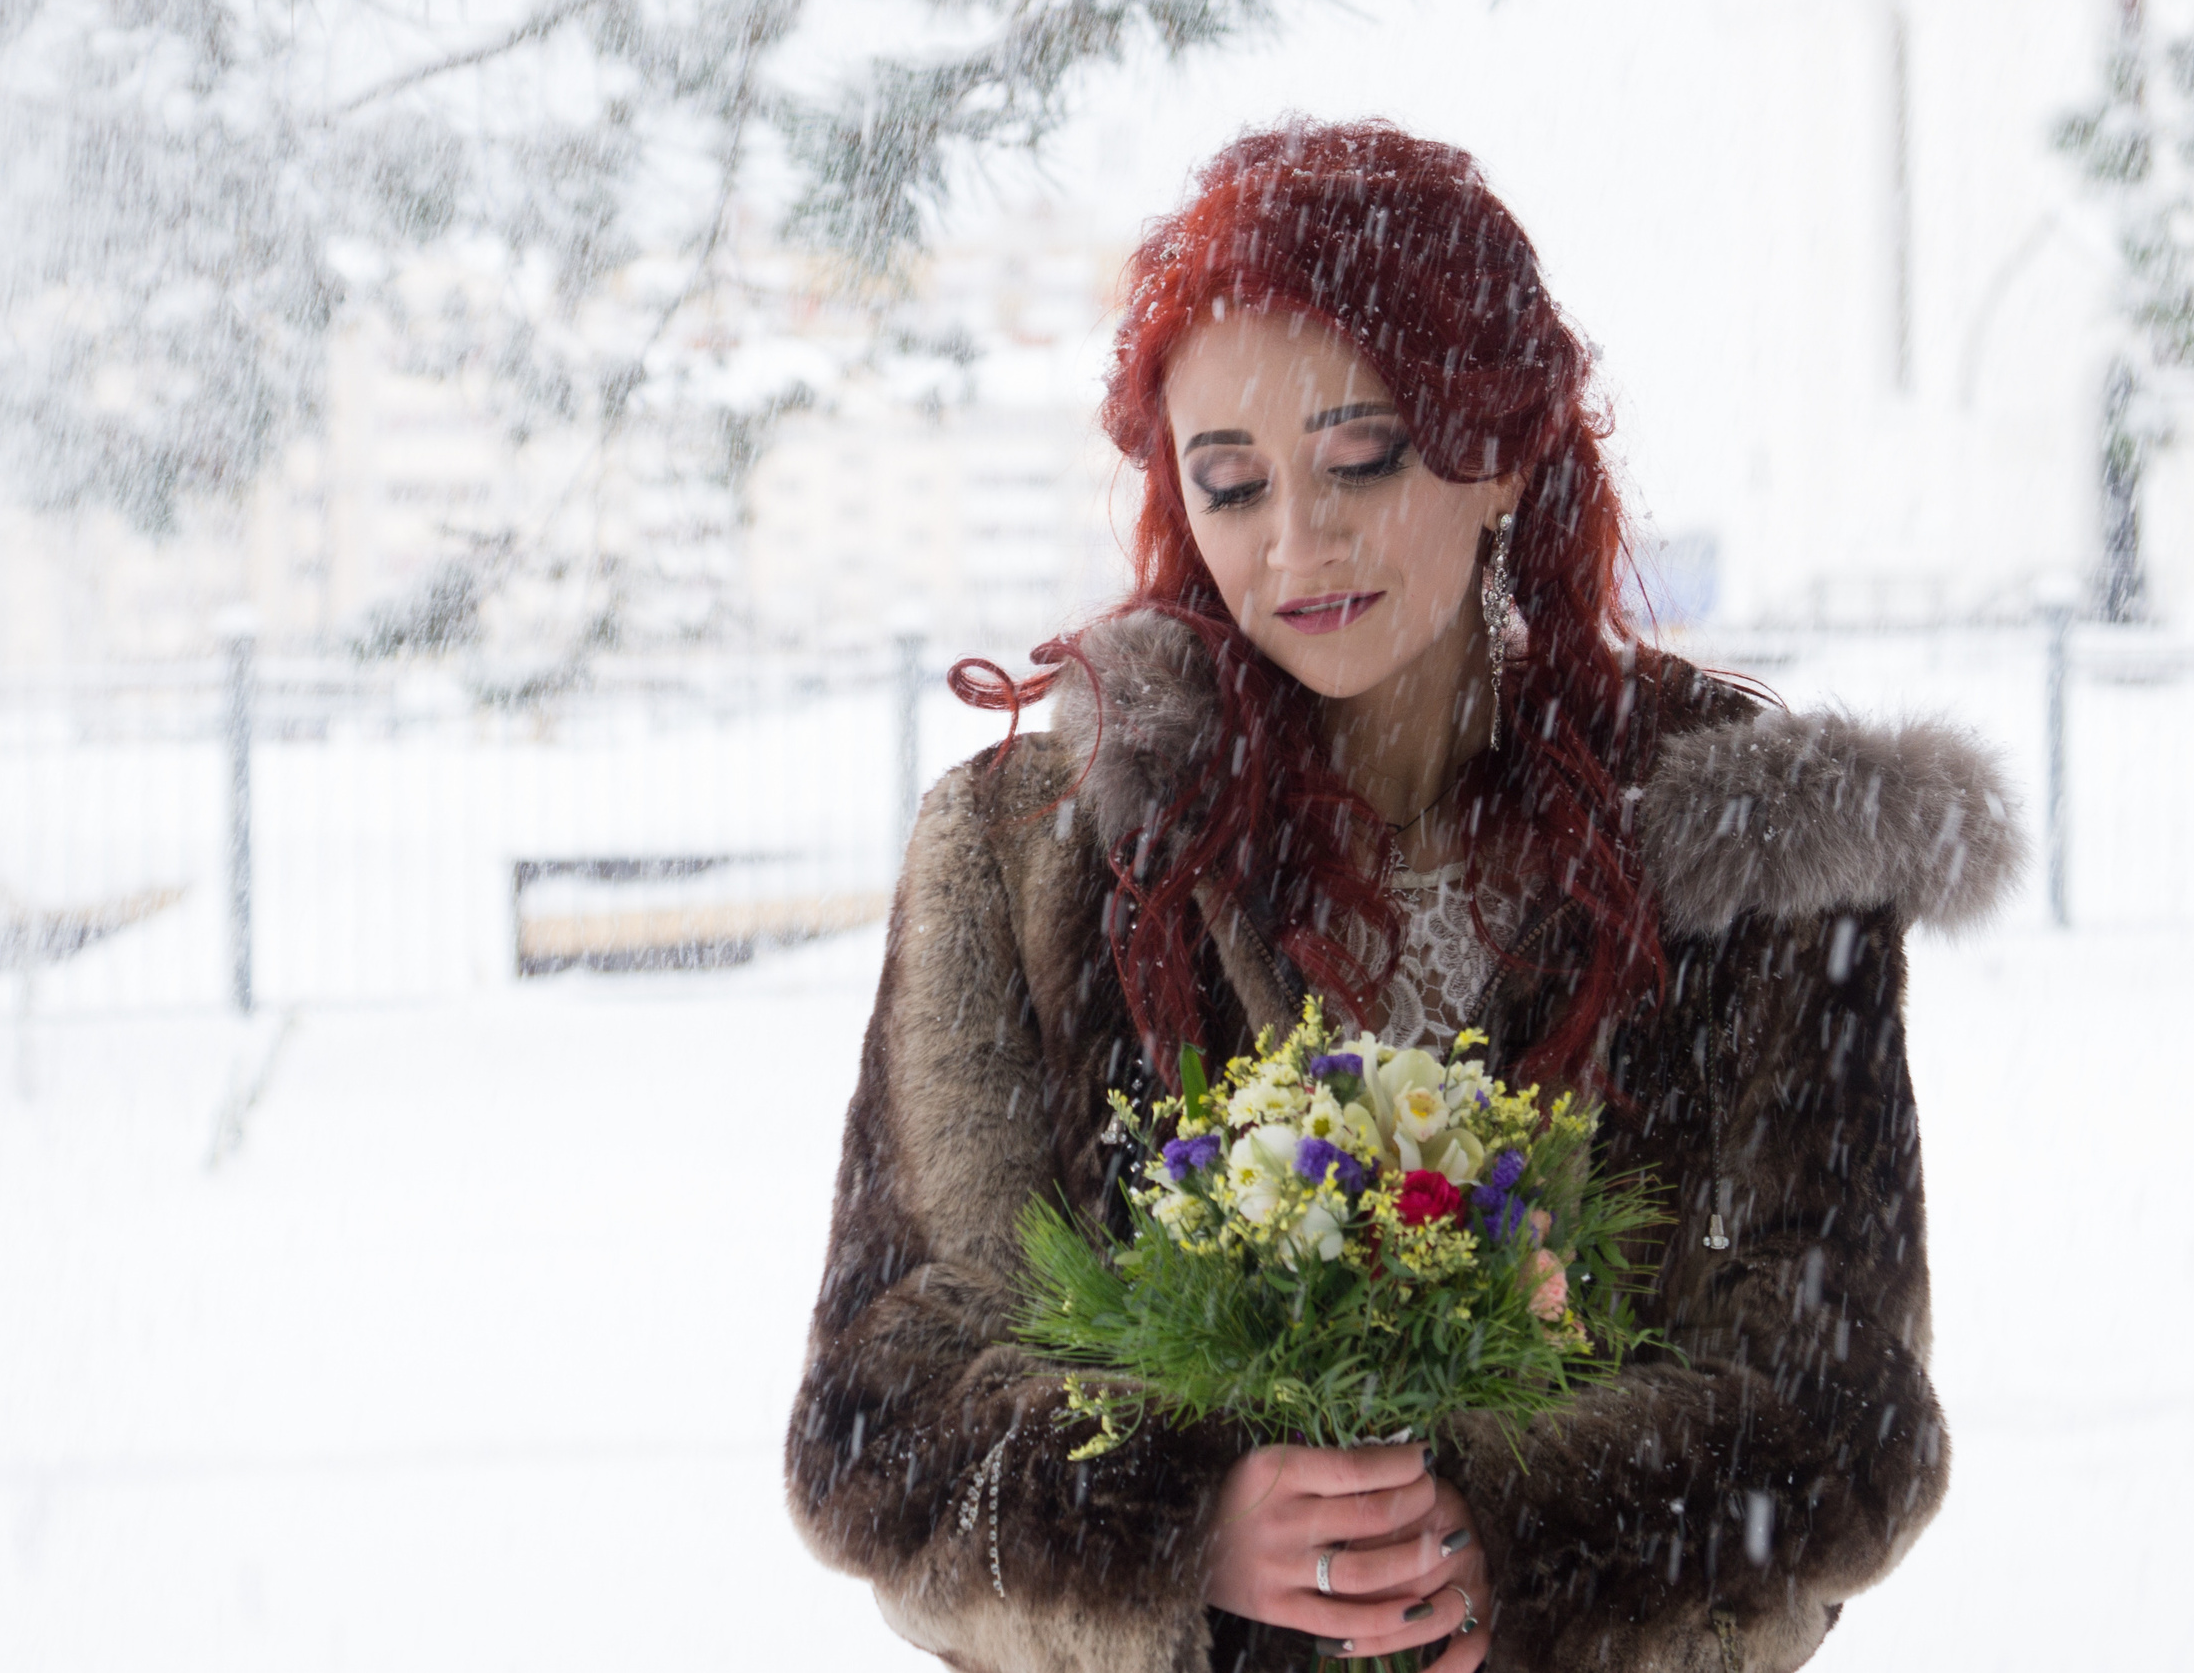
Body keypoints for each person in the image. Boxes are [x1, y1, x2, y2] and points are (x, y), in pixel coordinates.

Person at [785, 122, 2021, 1673]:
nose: (1298, 542)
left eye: (1360, 458)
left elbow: (1841, 1411)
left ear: (1497, 450)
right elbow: (879, 1421)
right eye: (1230, 484)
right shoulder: (1034, 849)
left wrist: (1533, 1539)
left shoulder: (1750, 844)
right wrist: (1176, 1519)